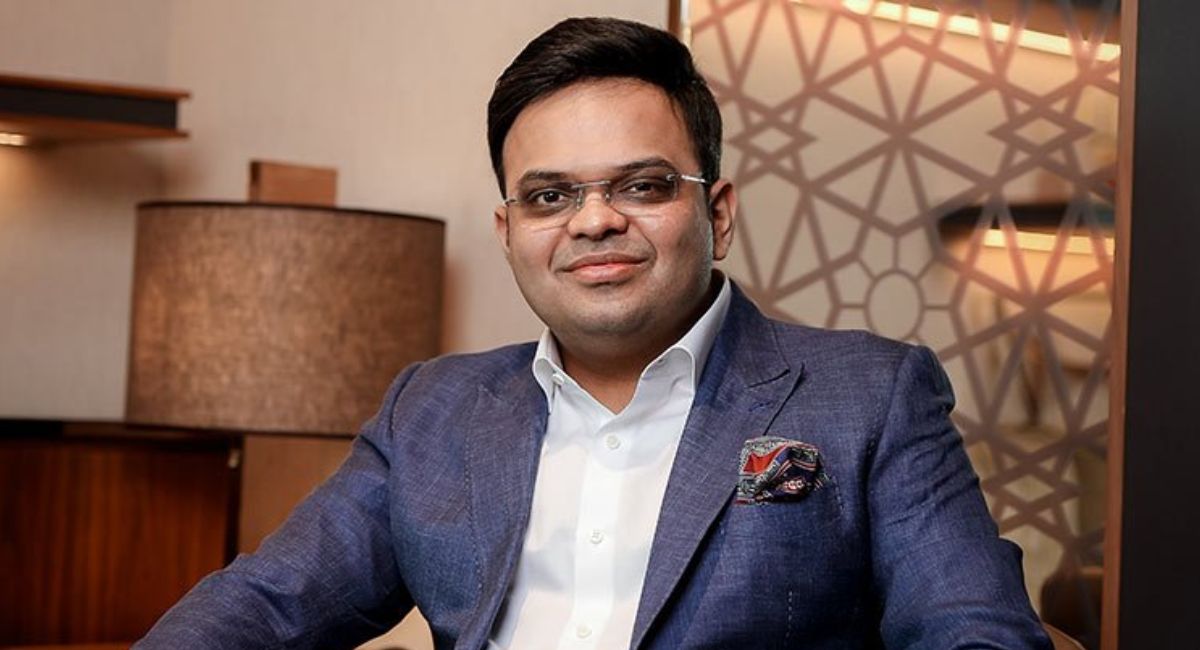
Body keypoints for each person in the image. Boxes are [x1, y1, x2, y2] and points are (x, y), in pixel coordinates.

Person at [137, 16, 1050, 650]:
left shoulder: (871, 397)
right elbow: (267, 608)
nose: (594, 220)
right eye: (550, 196)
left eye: (642, 186)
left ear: (719, 214)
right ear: (510, 234)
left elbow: (974, 633)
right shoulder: (433, 411)